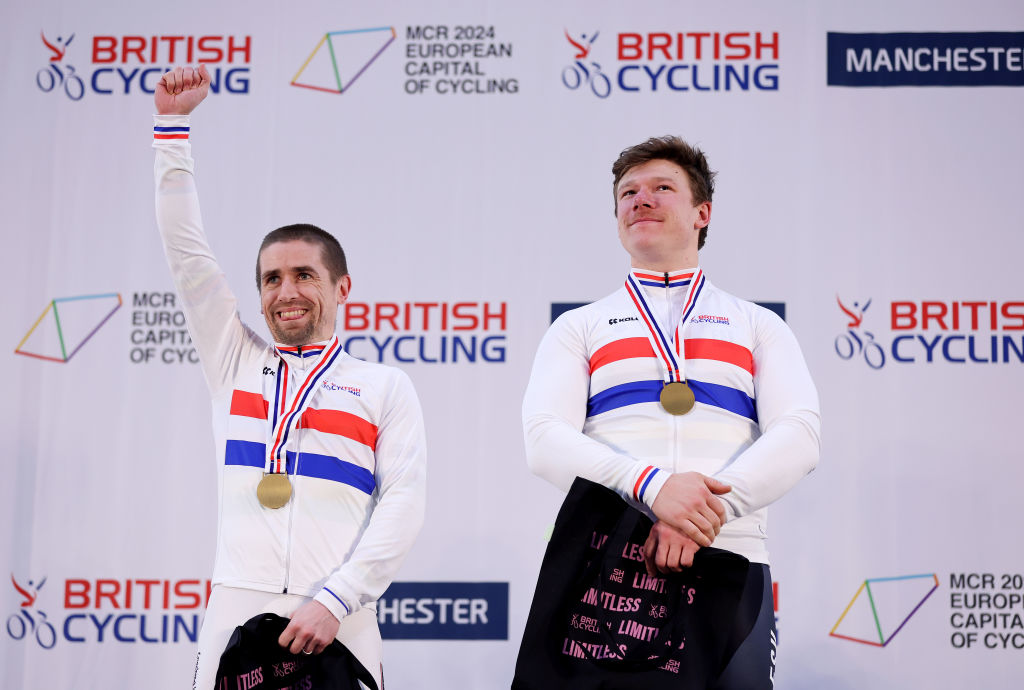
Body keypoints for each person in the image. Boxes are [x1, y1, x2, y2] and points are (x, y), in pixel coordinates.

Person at [153, 65, 426, 690]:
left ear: (340, 287)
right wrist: (171, 129)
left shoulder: (383, 386)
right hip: (235, 605)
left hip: (340, 615)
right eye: (272, 279)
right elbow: (185, 251)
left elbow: (405, 503)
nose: (287, 292)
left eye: (304, 274)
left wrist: (337, 598)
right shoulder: (235, 361)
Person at [521, 136, 820, 687]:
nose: (641, 200)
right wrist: (654, 489)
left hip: (728, 556)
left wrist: (706, 515)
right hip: (607, 560)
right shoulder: (578, 327)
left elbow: (800, 435)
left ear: (702, 212)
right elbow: (543, 439)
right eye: (628, 192)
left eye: (662, 188)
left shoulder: (758, 325)